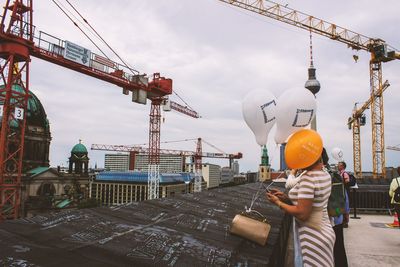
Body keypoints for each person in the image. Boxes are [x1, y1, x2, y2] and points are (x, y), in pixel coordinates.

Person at [267, 129, 335, 267]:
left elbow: (302, 213)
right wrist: (285, 198)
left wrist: (278, 203)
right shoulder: (324, 174)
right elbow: (312, 202)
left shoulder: (308, 178)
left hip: (312, 237)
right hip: (325, 231)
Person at [323, 151, 348, 267]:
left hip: (326, 221)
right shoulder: (334, 174)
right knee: (339, 248)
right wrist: (345, 214)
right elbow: (344, 196)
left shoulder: (320, 175)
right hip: (337, 215)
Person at [337, 161, 351, 228]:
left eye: (339, 165)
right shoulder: (340, 173)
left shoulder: (344, 173)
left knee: (345, 206)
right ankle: (341, 221)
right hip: (340, 192)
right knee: (341, 206)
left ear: (342, 166)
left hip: (343, 192)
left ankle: (345, 222)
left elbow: (347, 181)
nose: (338, 166)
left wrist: (341, 181)